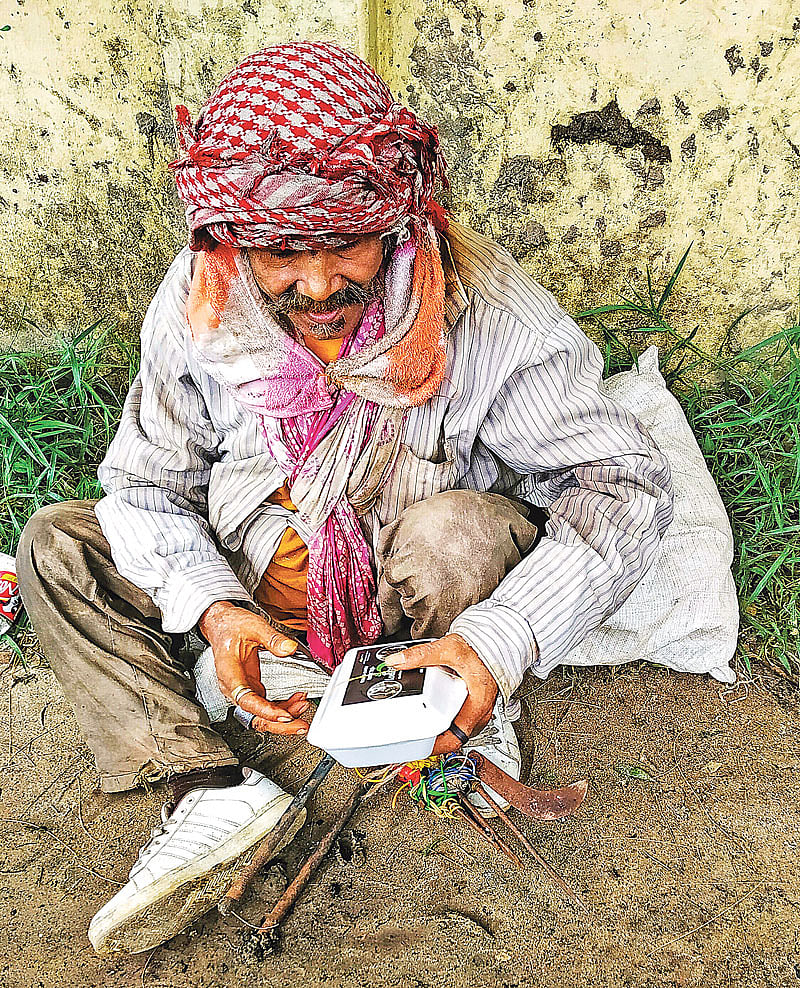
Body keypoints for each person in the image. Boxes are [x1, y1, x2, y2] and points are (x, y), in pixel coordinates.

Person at [16, 41, 673, 955]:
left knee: (455, 533)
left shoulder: (493, 318)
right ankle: (209, 792)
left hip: (419, 600)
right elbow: (143, 486)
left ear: (398, 222)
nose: (318, 285)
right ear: (231, 240)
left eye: (345, 244)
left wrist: (501, 639)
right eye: (282, 251)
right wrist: (211, 610)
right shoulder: (198, 303)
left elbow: (624, 484)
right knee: (58, 545)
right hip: (258, 594)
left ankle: (454, 698)